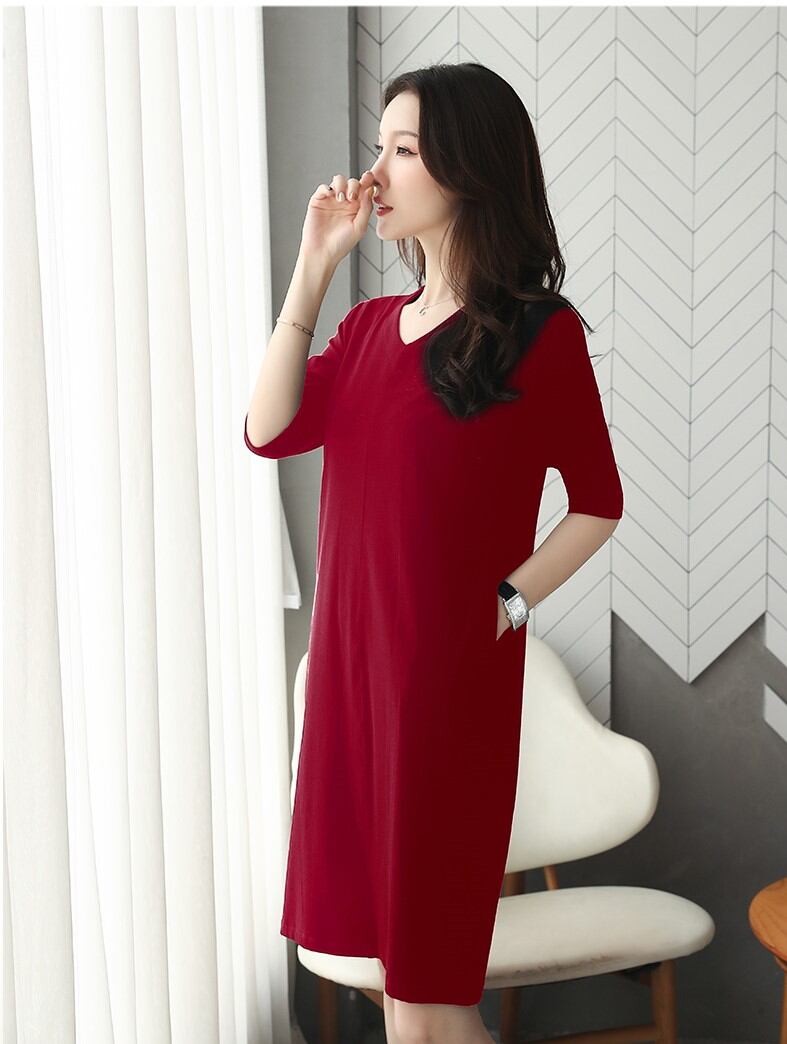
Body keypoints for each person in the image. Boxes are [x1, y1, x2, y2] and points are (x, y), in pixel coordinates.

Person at [245, 62, 624, 1044]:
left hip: (446, 688)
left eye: (403, 151)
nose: (374, 174)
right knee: (407, 994)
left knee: (423, 990)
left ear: (467, 168)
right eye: (379, 147)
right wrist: (312, 270)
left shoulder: (538, 335)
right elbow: (266, 429)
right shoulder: (368, 328)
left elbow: (598, 505)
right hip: (350, 682)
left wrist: (505, 605)